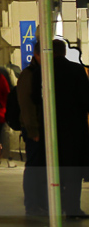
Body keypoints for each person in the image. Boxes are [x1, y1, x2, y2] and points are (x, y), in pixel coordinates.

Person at [19, 39, 89, 217]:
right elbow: (86, 100)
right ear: (64, 52)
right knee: (73, 171)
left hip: (49, 129)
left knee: (51, 169)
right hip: (74, 130)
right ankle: (73, 208)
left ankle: (53, 205)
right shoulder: (77, 70)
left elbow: (34, 98)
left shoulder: (40, 73)